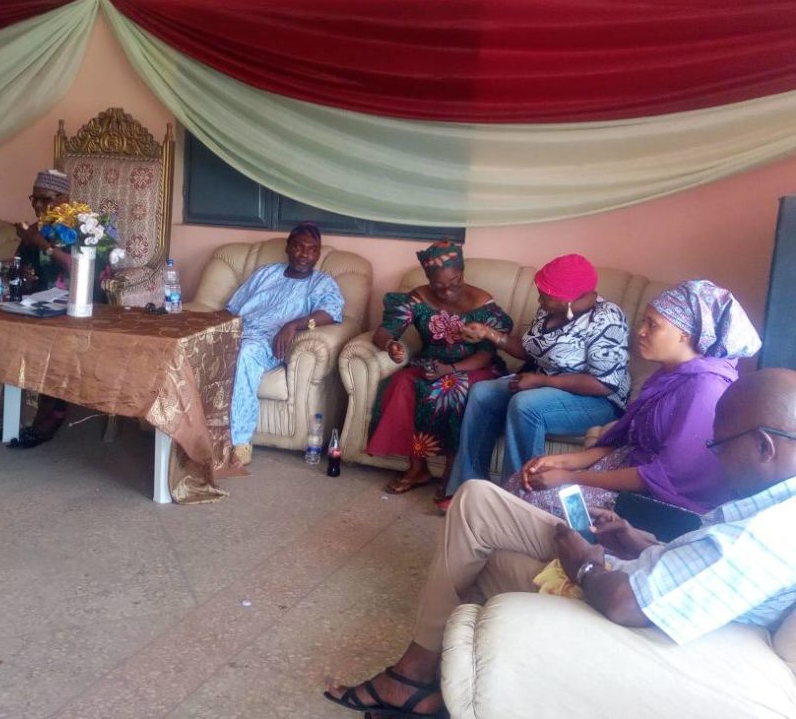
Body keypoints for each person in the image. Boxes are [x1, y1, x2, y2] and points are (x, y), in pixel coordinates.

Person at [325, 368, 796, 717]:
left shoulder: (765, 535)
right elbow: (698, 567)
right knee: (477, 502)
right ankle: (426, 678)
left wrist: (584, 565)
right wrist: (638, 541)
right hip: (635, 572)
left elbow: (627, 606)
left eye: (719, 445)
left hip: (617, 604)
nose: (714, 456)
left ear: (764, 446)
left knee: (482, 552)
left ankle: (414, 678)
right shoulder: (773, 506)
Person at [508, 280, 762, 515]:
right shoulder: (670, 374)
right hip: (629, 468)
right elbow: (631, 441)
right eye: (643, 322)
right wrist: (563, 461)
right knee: (524, 480)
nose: (640, 331)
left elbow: (662, 477)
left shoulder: (705, 389)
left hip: (655, 500)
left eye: (653, 325)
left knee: (532, 499)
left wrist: (570, 477)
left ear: (686, 334)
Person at [440, 253, 630, 503]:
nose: (539, 299)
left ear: (568, 297)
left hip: (596, 401)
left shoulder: (607, 318)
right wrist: (489, 333)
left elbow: (604, 384)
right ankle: (468, 486)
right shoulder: (549, 311)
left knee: (526, 404)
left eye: (545, 294)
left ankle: (519, 498)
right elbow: (531, 350)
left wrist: (542, 382)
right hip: (542, 384)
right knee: (482, 392)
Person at [364, 239, 513, 495]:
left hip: (474, 367)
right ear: (428, 280)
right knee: (403, 383)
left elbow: (485, 355)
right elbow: (384, 332)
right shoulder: (418, 298)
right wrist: (391, 345)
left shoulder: (481, 302)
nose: (447, 291)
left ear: (462, 273)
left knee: (453, 389)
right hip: (432, 361)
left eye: (454, 282)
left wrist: (451, 369)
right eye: (438, 285)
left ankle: (451, 472)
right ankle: (417, 468)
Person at [226, 222, 345, 466]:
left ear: (318, 254)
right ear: (288, 247)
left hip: (268, 343)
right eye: (299, 247)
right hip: (239, 331)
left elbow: (330, 313)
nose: (304, 255)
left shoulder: (321, 283)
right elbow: (233, 308)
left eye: (312, 250)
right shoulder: (266, 273)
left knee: (246, 353)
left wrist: (293, 325)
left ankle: (240, 442)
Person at [2, 169, 75, 449]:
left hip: (74, 305)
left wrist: (41, 244)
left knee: (51, 341)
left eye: (46, 199)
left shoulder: (82, 228)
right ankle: (7, 418)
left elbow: (79, 268)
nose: (38, 205)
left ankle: (52, 415)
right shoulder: (33, 230)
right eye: (35, 199)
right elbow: (21, 267)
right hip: (36, 304)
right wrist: (13, 273)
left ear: (64, 198)